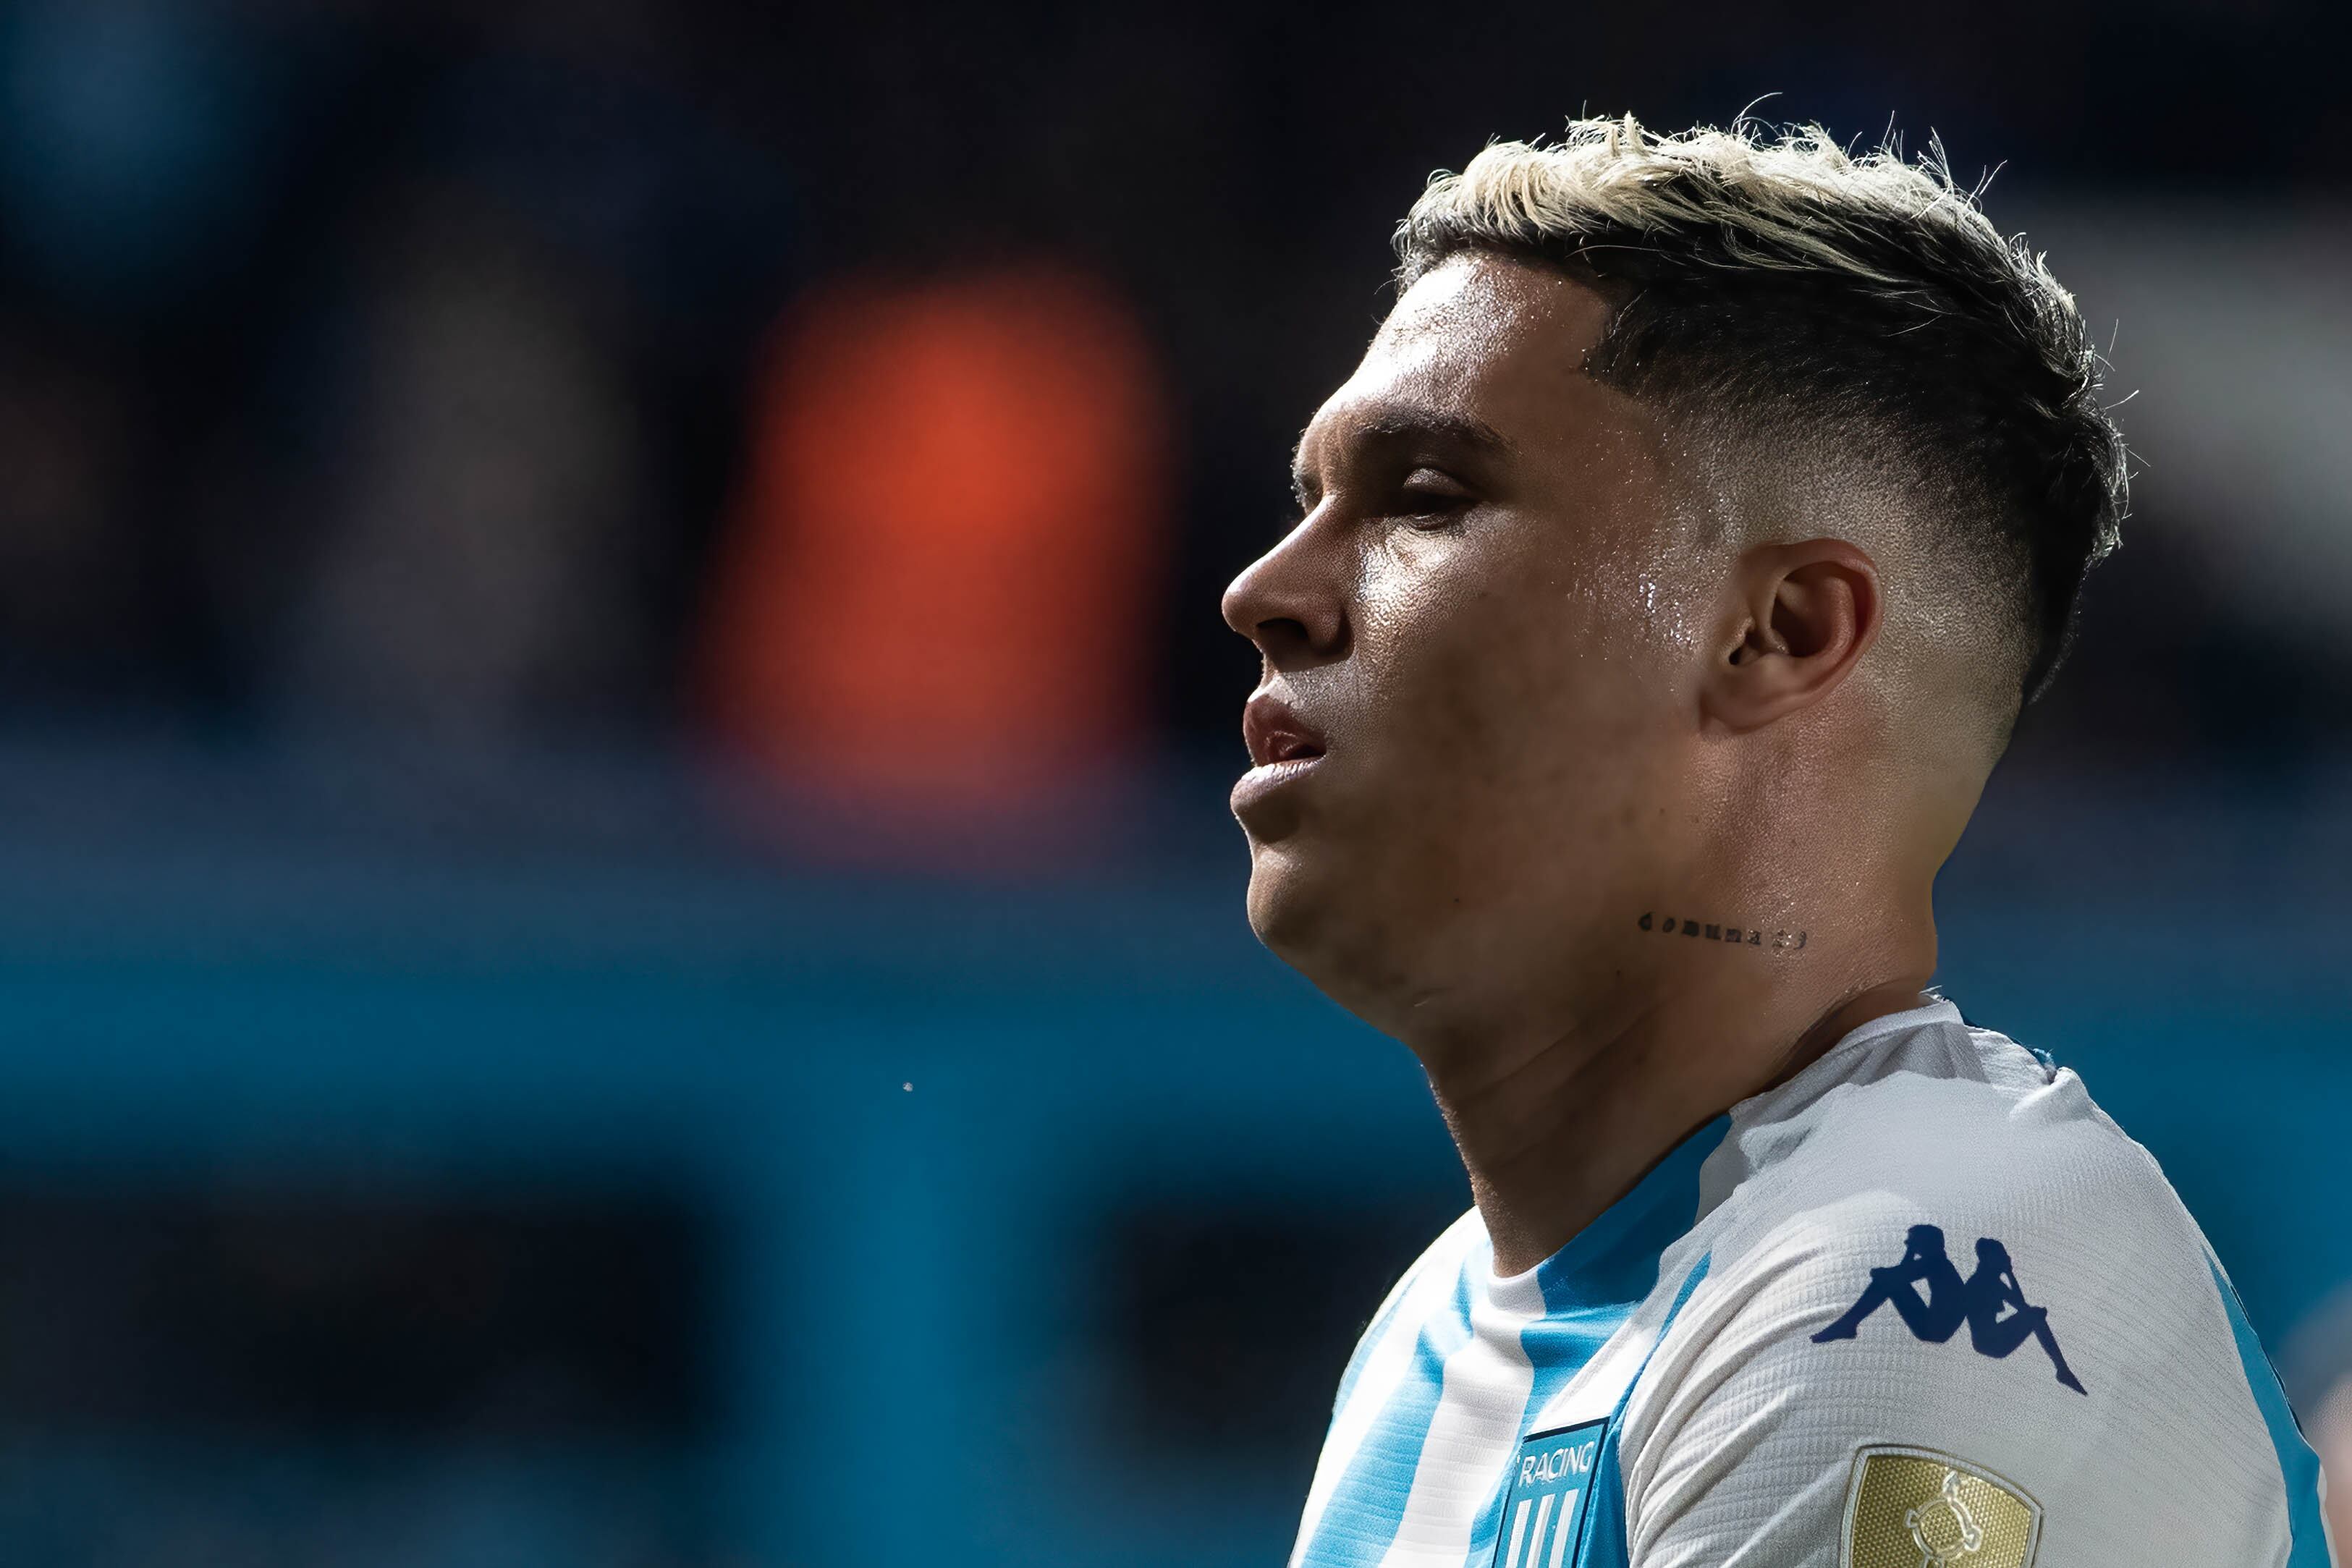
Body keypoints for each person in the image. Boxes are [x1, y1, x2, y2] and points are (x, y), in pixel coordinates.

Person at [1222, 115, 2332, 1568]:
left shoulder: (1923, 1289)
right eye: (1306, 502)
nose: (1263, 590)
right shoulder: (1438, 1331)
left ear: (1779, 634)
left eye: (1425, 498)